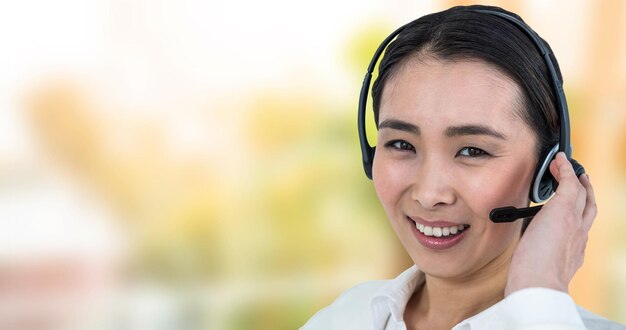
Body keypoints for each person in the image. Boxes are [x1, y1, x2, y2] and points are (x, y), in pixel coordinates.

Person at [301, 5, 625, 330]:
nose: (429, 195)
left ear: (547, 170)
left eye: (472, 150)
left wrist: (537, 292)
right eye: (401, 144)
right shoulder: (343, 318)